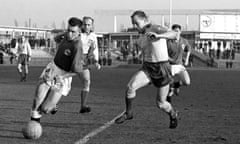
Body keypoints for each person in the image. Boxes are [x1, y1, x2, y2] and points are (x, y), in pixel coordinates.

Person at [115, 10, 178, 129]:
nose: (134, 26)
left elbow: (174, 34)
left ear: (145, 20)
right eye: (133, 23)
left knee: (161, 103)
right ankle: (129, 113)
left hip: (162, 69)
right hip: (148, 68)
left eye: (136, 23)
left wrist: (159, 36)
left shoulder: (154, 28)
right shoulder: (141, 37)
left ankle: (173, 114)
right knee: (130, 87)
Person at [30, 17, 84, 123]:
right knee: (37, 99)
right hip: (52, 68)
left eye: (73, 32)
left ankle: (53, 106)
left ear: (79, 32)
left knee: (45, 109)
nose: (69, 34)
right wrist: (64, 33)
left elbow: (76, 71)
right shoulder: (65, 36)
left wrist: (61, 77)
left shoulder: (77, 46)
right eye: (68, 30)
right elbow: (56, 39)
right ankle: (34, 125)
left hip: (63, 76)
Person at [78, 16, 101, 113]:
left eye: (89, 24)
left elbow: (95, 50)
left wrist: (96, 61)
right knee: (64, 84)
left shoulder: (93, 36)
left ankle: (83, 106)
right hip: (73, 61)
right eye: (85, 24)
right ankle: (53, 104)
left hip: (84, 62)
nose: (87, 26)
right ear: (82, 25)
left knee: (87, 81)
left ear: (92, 26)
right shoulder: (77, 34)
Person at [166, 24, 191, 102]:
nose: (176, 33)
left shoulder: (184, 41)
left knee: (187, 82)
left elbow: (189, 49)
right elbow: (163, 54)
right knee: (168, 88)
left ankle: (176, 85)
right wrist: (169, 59)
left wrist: (187, 59)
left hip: (179, 66)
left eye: (177, 31)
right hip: (169, 66)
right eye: (174, 31)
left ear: (180, 32)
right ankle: (168, 101)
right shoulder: (168, 41)